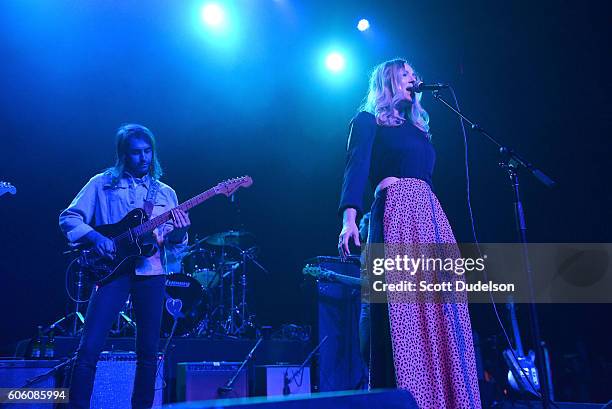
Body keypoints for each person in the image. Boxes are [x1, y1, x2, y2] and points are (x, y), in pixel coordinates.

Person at [338, 59, 481, 408]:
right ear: (388, 82)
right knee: (403, 313)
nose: (414, 80)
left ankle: (446, 398)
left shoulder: (419, 131)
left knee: (443, 310)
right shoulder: (368, 122)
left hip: (430, 217)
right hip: (395, 211)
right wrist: (349, 219)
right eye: (405, 76)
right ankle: (409, 395)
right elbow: (355, 168)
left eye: (414, 76)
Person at [59, 124, 190, 409]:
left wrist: (179, 232)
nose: (143, 158)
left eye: (148, 151)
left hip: (151, 273)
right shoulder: (101, 183)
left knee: (148, 352)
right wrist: (95, 237)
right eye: (136, 153)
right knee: (89, 348)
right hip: (111, 272)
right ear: (123, 155)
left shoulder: (165, 193)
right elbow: (69, 218)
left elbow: (175, 245)